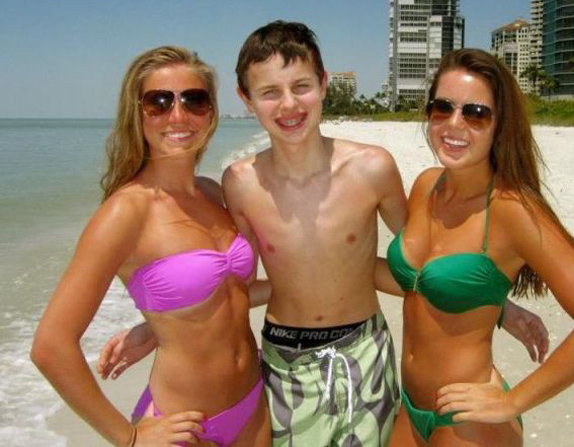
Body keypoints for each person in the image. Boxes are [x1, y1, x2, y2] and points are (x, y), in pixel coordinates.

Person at [98, 23, 549, 447]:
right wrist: (159, 326)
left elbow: (422, 265)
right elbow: (235, 286)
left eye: (301, 87)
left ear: (324, 84)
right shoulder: (240, 182)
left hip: (365, 352)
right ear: (245, 99)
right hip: (284, 362)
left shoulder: (372, 167)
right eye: (269, 93)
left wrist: (499, 307)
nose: (289, 105)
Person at [31, 46, 271, 447]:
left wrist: (155, 328)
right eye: (159, 102)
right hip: (184, 426)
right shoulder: (125, 213)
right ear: (137, 113)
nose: (178, 116)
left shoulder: (213, 193)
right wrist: (128, 438)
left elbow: (234, 294)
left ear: (211, 112)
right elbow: (50, 346)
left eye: (194, 100)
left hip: (251, 404)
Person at [385, 48, 574, 447]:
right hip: (409, 409)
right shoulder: (426, 186)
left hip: (469, 421)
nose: (454, 124)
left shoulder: (513, 210)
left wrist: (512, 402)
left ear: (500, 125)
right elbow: (418, 284)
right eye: (442, 108)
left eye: (476, 113)